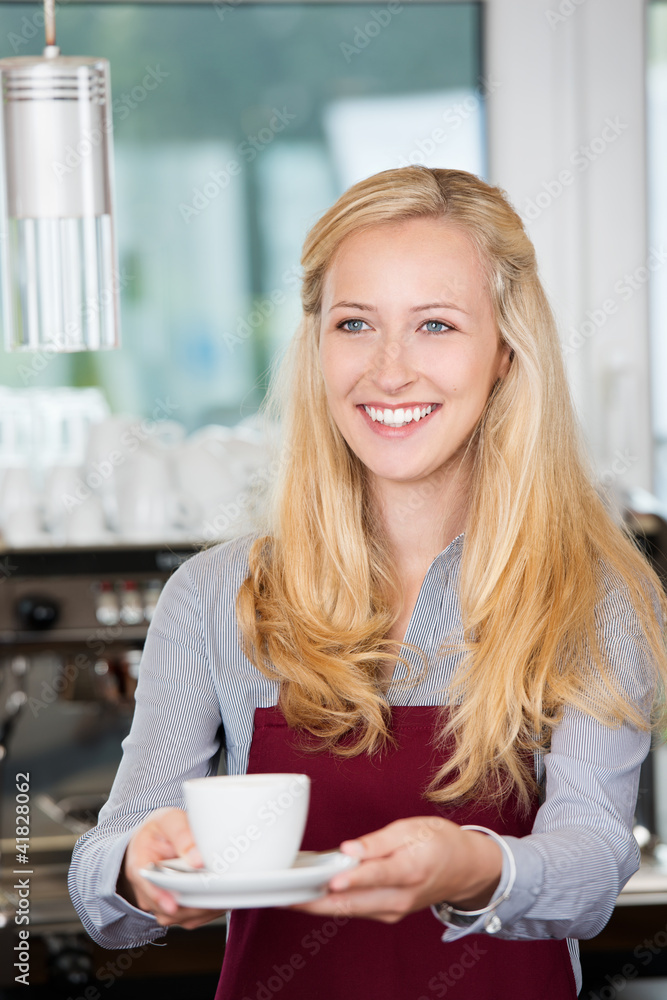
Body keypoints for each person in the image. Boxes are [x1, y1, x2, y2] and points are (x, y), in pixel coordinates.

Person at [69, 166, 667, 999]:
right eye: (355, 323)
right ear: (318, 344)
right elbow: (104, 878)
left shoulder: (592, 593)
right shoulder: (215, 595)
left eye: (434, 325)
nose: (389, 372)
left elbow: (593, 863)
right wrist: (138, 868)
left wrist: (471, 865)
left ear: (503, 351)